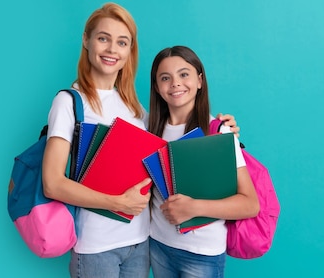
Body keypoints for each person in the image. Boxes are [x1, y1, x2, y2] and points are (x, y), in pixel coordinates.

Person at [41, 3, 239, 278]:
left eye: (122, 42)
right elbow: (52, 184)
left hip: (141, 244)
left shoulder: (135, 109)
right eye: (103, 38)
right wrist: (118, 203)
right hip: (97, 246)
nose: (112, 49)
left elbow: (165, 157)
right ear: (86, 40)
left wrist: (224, 129)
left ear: (129, 51)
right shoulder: (69, 103)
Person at [147, 45, 260, 277]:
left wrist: (193, 208)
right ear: (157, 88)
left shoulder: (218, 133)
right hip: (157, 245)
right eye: (165, 78)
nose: (176, 83)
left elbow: (250, 204)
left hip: (202, 253)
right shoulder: (148, 129)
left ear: (200, 80)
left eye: (184, 74)